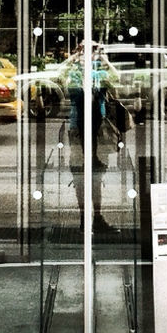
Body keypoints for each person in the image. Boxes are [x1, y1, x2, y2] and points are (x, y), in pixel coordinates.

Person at [62, 42, 120, 233]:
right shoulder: (75, 72)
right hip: (77, 127)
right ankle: (83, 218)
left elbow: (117, 78)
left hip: (99, 128)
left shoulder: (100, 72)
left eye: (93, 48)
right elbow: (58, 76)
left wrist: (103, 58)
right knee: (80, 174)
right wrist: (74, 57)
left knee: (97, 174)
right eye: (85, 48)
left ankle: (97, 216)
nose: (89, 52)